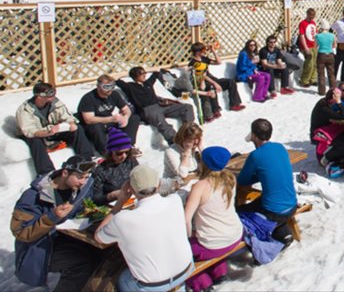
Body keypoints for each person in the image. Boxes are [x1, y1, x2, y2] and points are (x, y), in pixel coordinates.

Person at [96, 165, 193, 291]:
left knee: (121, 279)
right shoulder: (175, 200)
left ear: (130, 188)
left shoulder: (122, 219)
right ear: (158, 184)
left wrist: (119, 203)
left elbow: (99, 237)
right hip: (186, 269)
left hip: (154, 284)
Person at [10, 155, 101, 291]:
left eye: (86, 177)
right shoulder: (33, 196)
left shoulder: (78, 189)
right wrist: (51, 217)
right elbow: (21, 232)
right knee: (82, 264)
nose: (83, 182)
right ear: (65, 173)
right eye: (80, 177)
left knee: (100, 253)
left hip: (66, 239)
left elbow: (86, 202)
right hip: (41, 249)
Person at [183, 146, 244, 292]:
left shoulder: (200, 186)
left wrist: (188, 238)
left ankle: (202, 283)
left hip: (213, 243)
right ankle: (219, 271)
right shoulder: (230, 179)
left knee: (179, 253)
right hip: (235, 234)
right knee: (213, 234)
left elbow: (186, 219)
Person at [237, 118, 298, 244]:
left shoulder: (255, 155)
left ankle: (266, 237)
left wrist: (257, 175)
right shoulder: (280, 147)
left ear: (253, 135)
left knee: (240, 211)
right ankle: (283, 233)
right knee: (261, 201)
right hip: (292, 204)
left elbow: (243, 180)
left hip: (273, 211)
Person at [16, 82, 95, 177]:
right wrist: (47, 132)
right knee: (35, 141)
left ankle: (87, 160)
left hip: (54, 131)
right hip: (39, 134)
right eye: (49, 93)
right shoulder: (25, 110)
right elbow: (29, 131)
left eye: (54, 92)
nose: (53, 95)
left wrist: (71, 123)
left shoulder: (55, 102)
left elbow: (67, 116)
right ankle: (46, 172)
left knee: (77, 129)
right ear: (39, 96)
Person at [117, 67, 195, 144]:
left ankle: (189, 131)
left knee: (187, 107)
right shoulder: (129, 86)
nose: (144, 75)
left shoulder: (148, 83)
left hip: (160, 105)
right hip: (148, 109)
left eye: (144, 73)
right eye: (141, 73)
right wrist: (124, 74)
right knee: (162, 123)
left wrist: (149, 70)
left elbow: (156, 72)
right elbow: (117, 81)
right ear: (135, 76)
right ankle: (175, 140)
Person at [77, 74, 141, 154]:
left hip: (109, 121)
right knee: (96, 127)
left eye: (112, 86)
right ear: (98, 87)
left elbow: (126, 109)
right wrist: (110, 119)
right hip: (94, 124)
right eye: (106, 87)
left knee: (134, 118)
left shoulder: (114, 94)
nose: (110, 90)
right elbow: (88, 119)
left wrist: (126, 118)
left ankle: (127, 146)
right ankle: (106, 152)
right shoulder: (89, 98)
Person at [311, 86, 344, 178]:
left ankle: (343, 155)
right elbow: (343, 117)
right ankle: (327, 157)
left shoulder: (327, 102)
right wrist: (339, 103)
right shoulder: (323, 107)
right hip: (320, 134)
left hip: (328, 129)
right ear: (334, 97)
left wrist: (341, 105)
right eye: (339, 96)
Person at [90, 127, 141, 205]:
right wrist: (111, 195)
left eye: (127, 152)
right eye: (119, 153)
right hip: (113, 204)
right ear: (111, 153)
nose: (124, 156)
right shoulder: (101, 170)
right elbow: (95, 199)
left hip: (134, 200)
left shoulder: (131, 161)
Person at [190, 43, 245, 112]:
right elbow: (202, 76)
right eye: (203, 50)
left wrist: (213, 51)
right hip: (204, 81)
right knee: (211, 87)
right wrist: (215, 83)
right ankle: (216, 110)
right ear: (197, 52)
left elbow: (219, 62)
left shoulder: (203, 59)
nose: (205, 51)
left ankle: (234, 104)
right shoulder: (194, 63)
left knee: (230, 82)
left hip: (212, 78)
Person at [297, 8, 319, 89]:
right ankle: (304, 80)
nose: (311, 17)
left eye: (313, 15)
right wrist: (305, 47)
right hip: (307, 46)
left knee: (315, 63)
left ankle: (313, 79)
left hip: (314, 45)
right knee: (309, 63)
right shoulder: (302, 23)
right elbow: (302, 36)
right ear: (307, 14)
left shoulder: (313, 22)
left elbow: (315, 34)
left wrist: (316, 44)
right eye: (310, 15)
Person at [315, 19, 337, 95]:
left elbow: (316, 46)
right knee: (331, 73)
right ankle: (333, 90)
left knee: (321, 73)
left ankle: (321, 91)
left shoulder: (318, 36)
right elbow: (334, 45)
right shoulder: (332, 35)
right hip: (330, 54)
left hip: (321, 54)